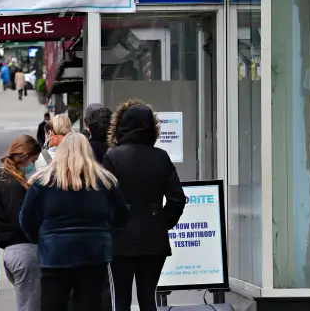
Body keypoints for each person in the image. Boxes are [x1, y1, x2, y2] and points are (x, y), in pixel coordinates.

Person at [19, 133, 129, 311]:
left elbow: (26, 218)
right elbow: (121, 216)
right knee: (89, 304)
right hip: (93, 254)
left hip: (54, 255)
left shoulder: (44, 181)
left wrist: (40, 240)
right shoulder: (104, 181)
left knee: (53, 304)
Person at [103, 99, 186, 311]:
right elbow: (177, 198)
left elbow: (103, 197)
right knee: (148, 298)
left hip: (120, 240)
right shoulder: (161, 157)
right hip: (153, 237)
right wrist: (162, 221)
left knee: (121, 299)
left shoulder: (113, 156)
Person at [0, 135, 42, 311]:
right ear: (24, 157)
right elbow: (21, 219)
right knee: (30, 305)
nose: (34, 165)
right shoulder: (14, 185)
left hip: (10, 251)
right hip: (25, 250)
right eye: (33, 160)